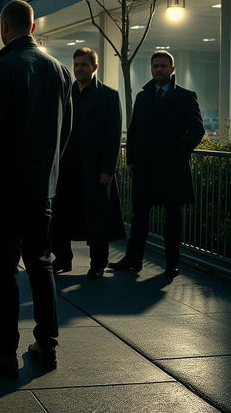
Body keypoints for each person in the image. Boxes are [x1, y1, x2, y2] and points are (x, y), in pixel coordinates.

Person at [0, 0, 72, 377]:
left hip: (5, 188)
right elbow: (66, 130)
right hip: (42, 188)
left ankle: (4, 350)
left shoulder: (0, 68)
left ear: (4, 27)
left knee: (3, 271)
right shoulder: (59, 69)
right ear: (34, 27)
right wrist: (49, 172)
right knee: (42, 265)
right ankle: (46, 345)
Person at [109, 51, 204, 278]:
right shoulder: (143, 96)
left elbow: (197, 130)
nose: (158, 70)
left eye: (163, 66)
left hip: (172, 168)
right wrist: (131, 160)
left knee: (173, 219)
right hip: (145, 167)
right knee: (139, 216)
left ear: (172, 69)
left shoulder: (185, 96)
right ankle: (133, 259)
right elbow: (133, 131)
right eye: (155, 66)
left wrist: (177, 153)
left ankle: (172, 263)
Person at [51, 47, 126, 280]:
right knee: (61, 215)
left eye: (83, 64)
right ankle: (63, 258)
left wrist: (107, 169)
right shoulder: (65, 93)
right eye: (76, 65)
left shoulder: (108, 95)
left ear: (94, 67)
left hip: (94, 169)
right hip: (66, 167)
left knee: (97, 219)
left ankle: (98, 264)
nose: (78, 69)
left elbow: (113, 136)